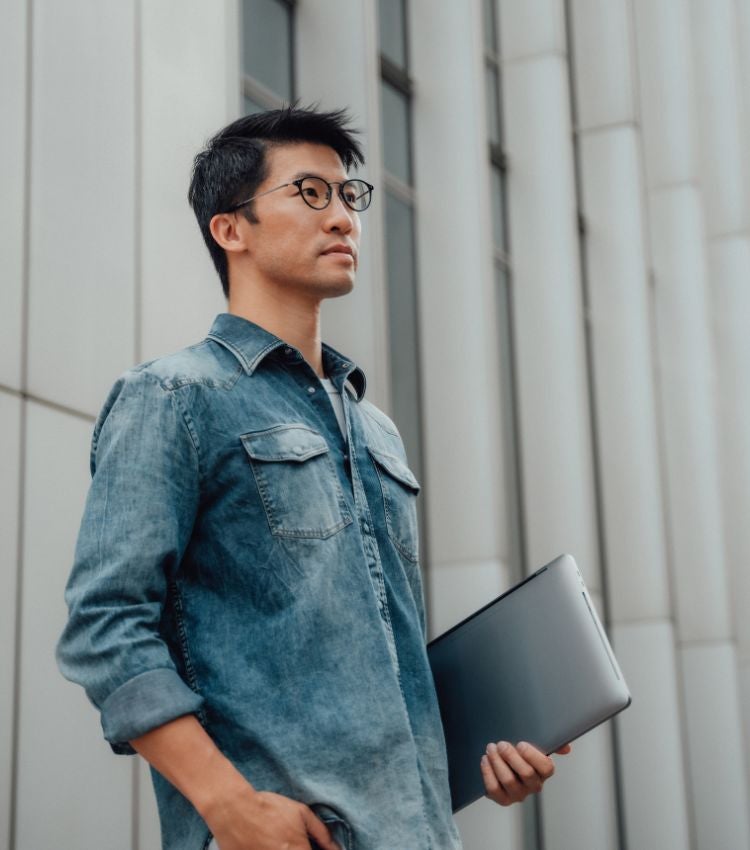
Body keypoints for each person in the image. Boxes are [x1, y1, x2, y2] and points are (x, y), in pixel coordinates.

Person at [56, 105, 569, 850]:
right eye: (309, 193)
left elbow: (369, 670)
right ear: (230, 229)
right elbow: (104, 625)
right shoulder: (173, 396)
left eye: (348, 195)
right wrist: (227, 803)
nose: (343, 218)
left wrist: (490, 751)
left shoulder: (375, 427)